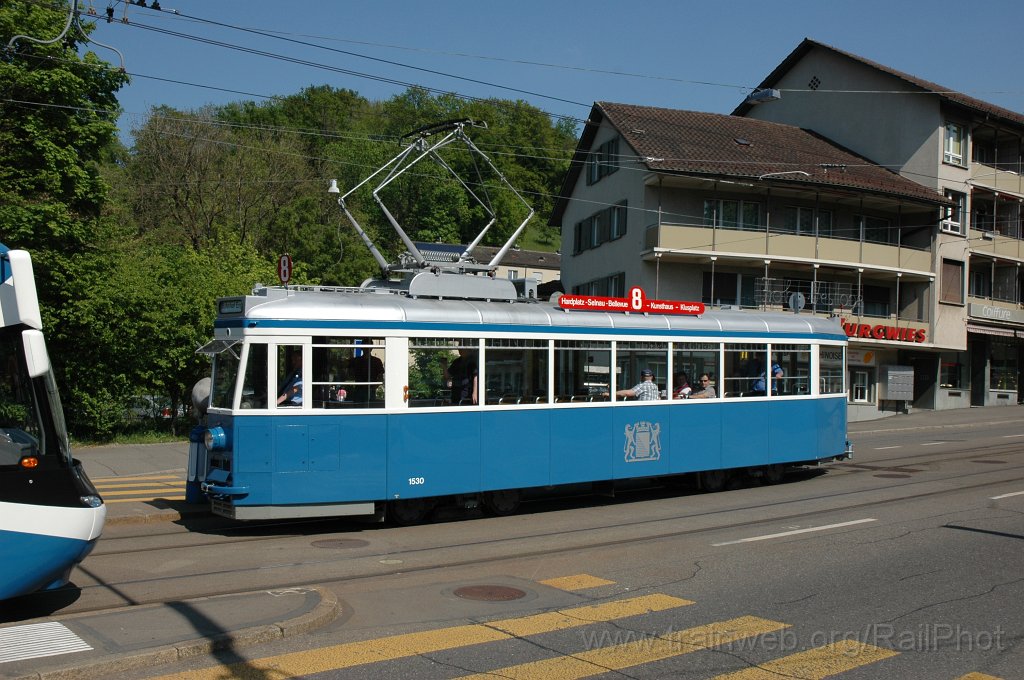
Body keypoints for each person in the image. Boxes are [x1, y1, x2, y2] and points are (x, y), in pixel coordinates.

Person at [347, 339, 384, 403]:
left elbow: (381, 377)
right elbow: (349, 374)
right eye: (365, 347)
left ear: (372, 348)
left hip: (369, 390)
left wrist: (373, 387)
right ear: (362, 347)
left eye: (368, 347)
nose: (366, 349)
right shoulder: (356, 361)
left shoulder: (376, 361)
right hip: (359, 390)